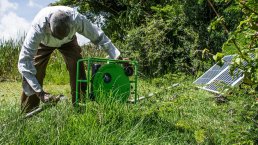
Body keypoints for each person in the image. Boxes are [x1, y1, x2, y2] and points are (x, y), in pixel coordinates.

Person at [18, 6, 121, 113]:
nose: (59, 40)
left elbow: (98, 36)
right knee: (35, 69)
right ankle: (28, 111)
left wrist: (116, 55)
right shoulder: (38, 27)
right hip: (44, 43)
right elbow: (24, 62)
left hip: (69, 42)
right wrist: (40, 93)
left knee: (77, 67)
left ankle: (80, 107)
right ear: (49, 25)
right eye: (57, 36)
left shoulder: (77, 19)